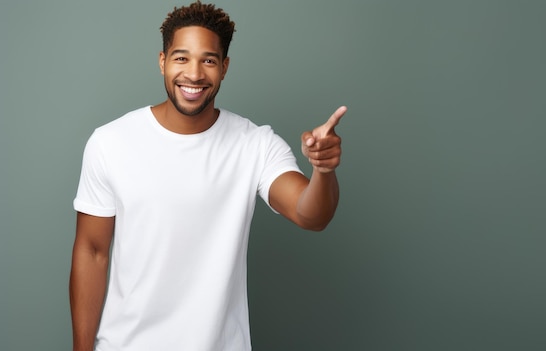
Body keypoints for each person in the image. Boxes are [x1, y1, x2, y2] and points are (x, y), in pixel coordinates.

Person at [68, 2, 346, 350]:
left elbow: (311, 214)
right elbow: (92, 251)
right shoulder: (110, 142)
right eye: (181, 58)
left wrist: (323, 170)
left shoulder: (254, 144)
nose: (194, 74)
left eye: (209, 60)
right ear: (162, 61)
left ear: (225, 67)